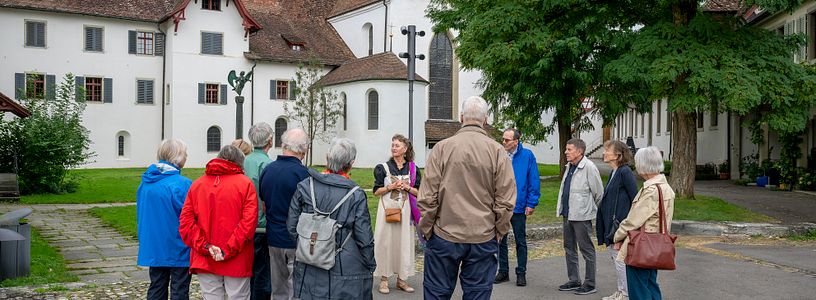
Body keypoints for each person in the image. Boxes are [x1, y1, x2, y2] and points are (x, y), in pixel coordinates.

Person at [418, 96, 517, 300]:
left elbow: (427, 197)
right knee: (478, 295)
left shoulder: (442, 148)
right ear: (485, 120)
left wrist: (427, 228)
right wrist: (499, 230)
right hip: (482, 235)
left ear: (461, 117)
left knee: (436, 293)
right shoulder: (497, 151)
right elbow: (506, 200)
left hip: (445, 233)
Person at [287, 138, 376, 300]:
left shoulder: (305, 186)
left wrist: (309, 247)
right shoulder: (356, 194)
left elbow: (292, 227)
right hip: (344, 268)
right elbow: (364, 237)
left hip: (310, 262)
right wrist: (370, 263)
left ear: (328, 158)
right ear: (351, 163)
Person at [179, 145, 258, 300]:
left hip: (206, 257)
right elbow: (248, 224)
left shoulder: (198, 185)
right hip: (236, 257)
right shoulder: (245, 184)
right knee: (239, 297)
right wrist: (227, 250)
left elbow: (186, 224)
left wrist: (206, 247)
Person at [613, 146, 675, 300]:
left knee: (638, 289)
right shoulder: (665, 187)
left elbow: (633, 221)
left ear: (643, 165)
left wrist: (617, 236)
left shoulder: (651, 191)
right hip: (655, 245)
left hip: (641, 246)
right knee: (650, 284)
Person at [137, 139, 193, 300]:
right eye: (185, 153)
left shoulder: (146, 183)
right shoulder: (182, 184)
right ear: (177, 156)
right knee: (179, 290)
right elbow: (191, 216)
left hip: (154, 244)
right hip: (177, 245)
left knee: (156, 286)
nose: (186, 157)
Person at [259, 128, 310, 300]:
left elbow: (264, 205)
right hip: (296, 238)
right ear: (303, 150)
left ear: (283, 145)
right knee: (297, 288)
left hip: (273, 236)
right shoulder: (304, 174)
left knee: (278, 288)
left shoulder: (267, 170)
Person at [373, 134, 422, 294]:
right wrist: (391, 186)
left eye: (397, 145)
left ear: (405, 149)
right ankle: (384, 280)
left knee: (404, 243)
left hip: (405, 210)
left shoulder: (413, 168)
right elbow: (376, 191)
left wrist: (407, 188)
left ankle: (402, 280)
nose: (394, 148)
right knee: (386, 243)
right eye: (392, 145)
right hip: (387, 210)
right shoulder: (383, 167)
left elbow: (419, 192)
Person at [556, 138, 604, 295]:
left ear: (579, 151)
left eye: (569, 149)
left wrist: (597, 214)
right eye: (566, 149)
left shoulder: (589, 167)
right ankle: (574, 280)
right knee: (569, 248)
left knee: (586, 249)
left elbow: (599, 193)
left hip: (581, 216)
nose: (566, 152)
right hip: (567, 214)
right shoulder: (569, 166)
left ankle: (590, 283)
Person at [495, 128, 540, 287]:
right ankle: (503, 271)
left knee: (520, 241)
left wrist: (531, 203)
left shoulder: (527, 156)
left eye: (507, 140)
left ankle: (521, 273)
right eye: (503, 139)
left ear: (516, 141)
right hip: (501, 206)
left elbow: (533, 180)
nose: (504, 142)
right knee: (501, 240)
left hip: (519, 206)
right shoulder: (499, 154)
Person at [597, 140, 638, 300]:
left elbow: (635, 199)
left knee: (620, 260)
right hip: (612, 225)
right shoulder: (614, 172)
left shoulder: (624, 172)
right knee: (616, 259)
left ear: (618, 155)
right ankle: (621, 291)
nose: (604, 153)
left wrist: (626, 228)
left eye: (608, 150)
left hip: (620, 227)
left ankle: (626, 294)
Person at [244, 123, 274, 300]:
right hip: (261, 226)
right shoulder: (267, 164)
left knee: (248, 274)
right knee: (263, 276)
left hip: (244, 225)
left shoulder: (244, 161)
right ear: (270, 141)